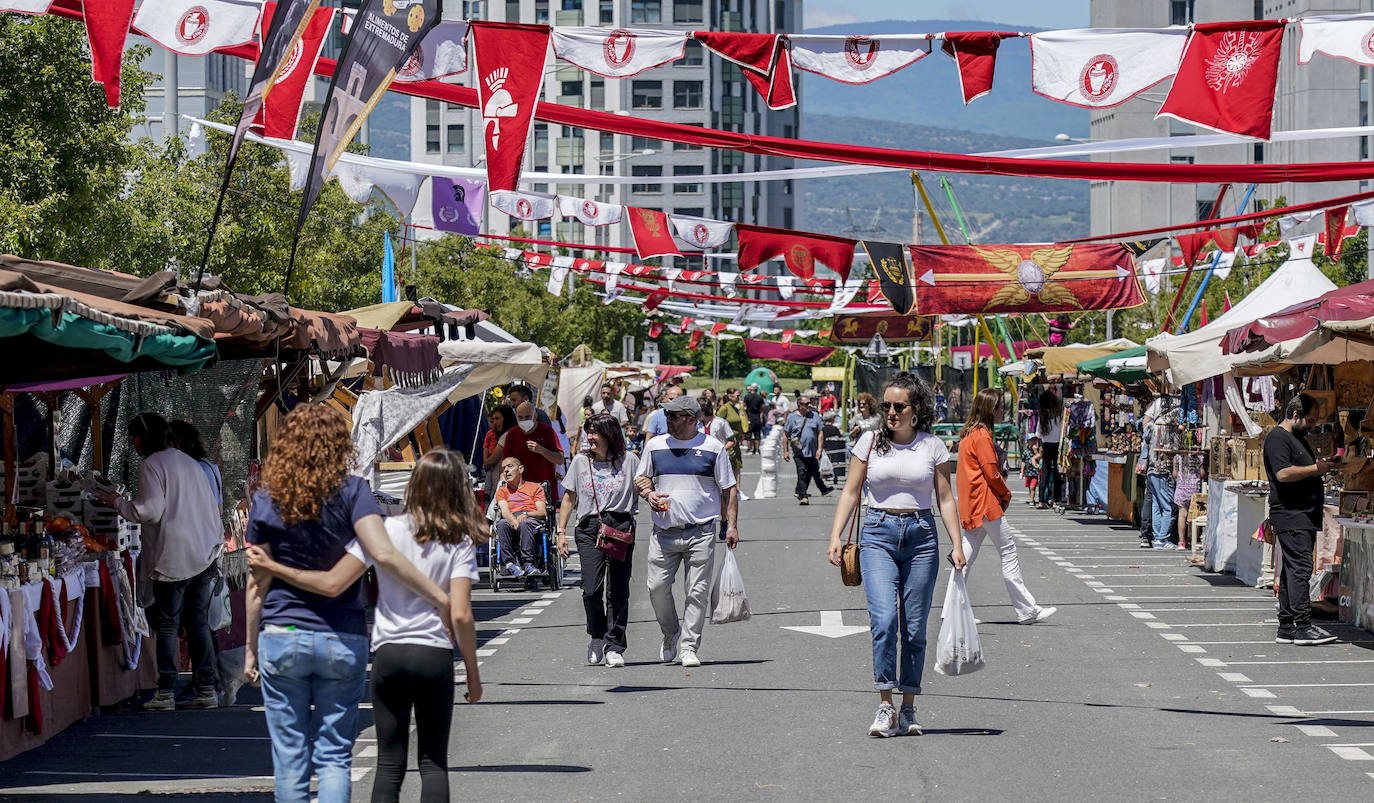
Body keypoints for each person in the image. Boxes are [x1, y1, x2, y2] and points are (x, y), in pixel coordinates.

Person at [246, 449, 484, 803]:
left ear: (413, 485)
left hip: (388, 653)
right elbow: (462, 615)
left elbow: (332, 583)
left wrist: (276, 568)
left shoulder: (384, 531)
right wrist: (472, 672)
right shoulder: (459, 541)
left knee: (389, 764)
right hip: (433, 653)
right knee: (433, 762)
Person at [825, 373, 966, 738]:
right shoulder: (869, 442)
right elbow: (851, 492)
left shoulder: (933, 446)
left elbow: (946, 499)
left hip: (921, 538)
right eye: (886, 405)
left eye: (898, 406)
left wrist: (958, 543)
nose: (890, 411)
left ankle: (908, 707)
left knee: (915, 629)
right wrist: (836, 535)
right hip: (877, 534)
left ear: (916, 409)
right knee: (885, 621)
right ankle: (885, 704)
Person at [96, 413, 223, 711]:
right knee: (198, 623)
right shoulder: (190, 463)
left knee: (167, 625)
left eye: (135, 437)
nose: (133, 443)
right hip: (204, 554)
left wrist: (116, 502)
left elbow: (149, 511)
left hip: (173, 556)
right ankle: (207, 689)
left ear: (146, 436)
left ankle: (165, 692)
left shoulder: (153, 465)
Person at [634, 395, 739, 668]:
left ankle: (689, 646)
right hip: (664, 531)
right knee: (656, 588)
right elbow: (641, 477)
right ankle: (671, 634)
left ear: (692, 420)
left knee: (696, 591)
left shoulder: (714, 448)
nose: (666, 420)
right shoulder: (655, 445)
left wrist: (731, 525)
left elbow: (728, 488)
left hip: (701, 531)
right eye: (666, 415)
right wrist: (648, 493)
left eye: (673, 415)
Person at [946, 388, 1055, 625]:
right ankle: (1026, 609)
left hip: (973, 502)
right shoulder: (982, 436)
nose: (1002, 411)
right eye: (999, 407)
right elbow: (992, 473)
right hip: (986, 502)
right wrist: (1005, 493)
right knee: (1007, 552)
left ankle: (951, 609)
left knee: (964, 557)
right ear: (990, 409)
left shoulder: (968, 435)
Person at [557, 414, 640, 668]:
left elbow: (644, 487)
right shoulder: (581, 461)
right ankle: (596, 635)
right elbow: (569, 498)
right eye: (589, 432)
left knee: (618, 590)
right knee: (591, 589)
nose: (590, 437)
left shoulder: (630, 461)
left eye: (595, 432)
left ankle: (615, 645)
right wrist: (561, 532)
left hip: (619, 526)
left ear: (610, 434)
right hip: (589, 527)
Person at [1265, 394, 1339, 646]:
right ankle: (1303, 626)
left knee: (1291, 570)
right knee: (1300, 569)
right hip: (1291, 514)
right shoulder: (1278, 438)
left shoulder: (1296, 438)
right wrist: (1315, 469)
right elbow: (1283, 473)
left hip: (1302, 514)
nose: (1314, 425)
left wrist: (1321, 468)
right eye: (1311, 420)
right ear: (1295, 415)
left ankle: (1286, 625)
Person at [493, 457, 548, 578]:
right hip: (511, 517)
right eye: (504, 468)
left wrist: (526, 514)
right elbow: (504, 510)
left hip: (531, 518)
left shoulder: (535, 488)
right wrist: (513, 520)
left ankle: (528, 563)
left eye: (510, 466)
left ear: (521, 469)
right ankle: (509, 563)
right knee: (501, 524)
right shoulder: (502, 491)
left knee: (525, 523)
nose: (506, 471)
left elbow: (542, 512)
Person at [1135, 395, 1179, 549]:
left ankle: (1157, 537)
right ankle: (1162, 538)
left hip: (1153, 465)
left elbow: (1145, 424)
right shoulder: (1171, 420)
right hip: (1163, 466)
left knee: (1156, 503)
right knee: (1167, 505)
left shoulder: (1152, 424)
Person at [498, 401, 563, 491]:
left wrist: (541, 450)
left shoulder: (547, 431)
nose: (524, 420)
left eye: (527, 417)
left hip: (544, 489)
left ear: (535, 416)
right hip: (520, 490)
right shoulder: (512, 434)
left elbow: (560, 459)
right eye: (520, 417)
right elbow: (505, 463)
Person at [783, 390, 831, 505]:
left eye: (810, 403)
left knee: (809, 474)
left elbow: (820, 433)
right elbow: (786, 435)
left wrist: (819, 449)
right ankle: (803, 496)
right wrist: (785, 451)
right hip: (798, 451)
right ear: (799, 405)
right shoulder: (792, 417)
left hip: (812, 451)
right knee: (802, 472)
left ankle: (800, 492)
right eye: (806, 404)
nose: (809, 405)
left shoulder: (815, 416)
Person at [1036, 389, 1064, 509]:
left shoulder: (1043, 416)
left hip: (1046, 445)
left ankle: (1041, 501)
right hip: (1058, 445)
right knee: (1057, 473)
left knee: (1045, 472)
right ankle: (1056, 500)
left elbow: (1038, 434)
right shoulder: (1059, 415)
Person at [482, 405, 517, 493]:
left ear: (506, 418)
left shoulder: (507, 435)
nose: (495, 422)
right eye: (493, 419)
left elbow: (491, 461)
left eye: (498, 418)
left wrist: (486, 463)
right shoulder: (502, 434)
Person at [719, 387, 746, 471]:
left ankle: (738, 485)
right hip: (728, 443)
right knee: (728, 468)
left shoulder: (736, 408)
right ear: (730, 396)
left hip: (736, 442)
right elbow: (717, 424)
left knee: (737, 467)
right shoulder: (724, 408)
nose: (739, 398)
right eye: (737, 396)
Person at [821, 411, 848, 486]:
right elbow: (839, 438)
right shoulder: (835, 429)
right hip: (834, 450)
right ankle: (835, 476)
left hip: (825, 449)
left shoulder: (822, 429)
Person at [743, 383, 767, 454]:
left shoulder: (747, 397)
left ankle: (749, 449)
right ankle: (757, 449)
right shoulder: (760, 398)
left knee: (748, 434)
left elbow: (744, 407)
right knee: (757, 434)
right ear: (757, 389)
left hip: (749, 417)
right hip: (757, 417)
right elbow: (763, 407)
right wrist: (761, 416)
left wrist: (745, 416)